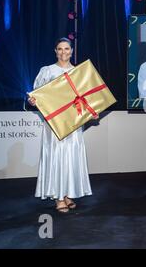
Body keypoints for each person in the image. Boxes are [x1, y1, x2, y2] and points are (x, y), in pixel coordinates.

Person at [28, 37, 95, 213]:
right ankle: (58, 197)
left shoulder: (79, 72)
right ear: (55, 51)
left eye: (67, 49)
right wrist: (34, 101)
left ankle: (69, 194)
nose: (63, 52)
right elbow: (37, 94)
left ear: (72, 51)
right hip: (54, 123)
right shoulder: (47, 71)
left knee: (72, 156)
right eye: (60, 49)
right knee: (57, 156)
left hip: (73, 123)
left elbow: (87, 96)